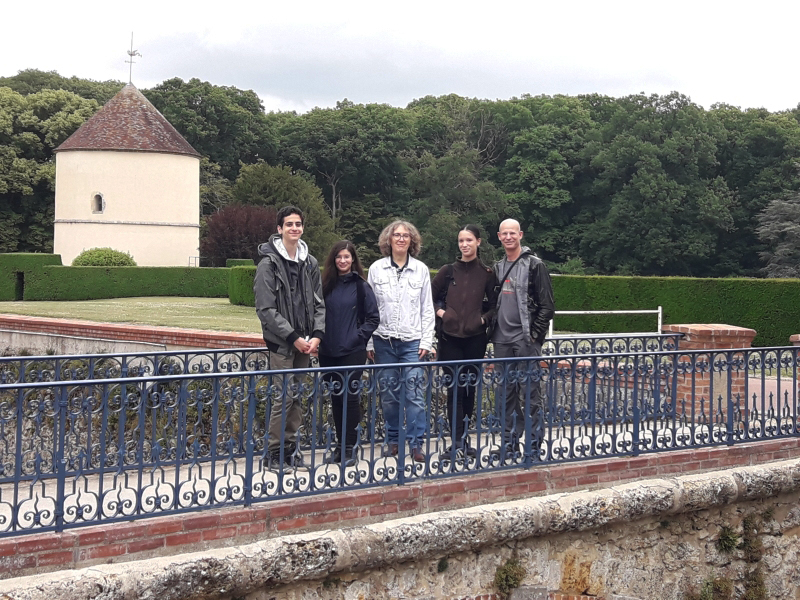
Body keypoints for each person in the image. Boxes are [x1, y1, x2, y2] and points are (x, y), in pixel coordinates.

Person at [254, 206, 325, 468]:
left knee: (297, 397)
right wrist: (293, 336)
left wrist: (317, 334)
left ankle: (290, 450)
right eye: (289, 224)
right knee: (282, 398)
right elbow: (266, 310)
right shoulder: (268, 264)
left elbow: (319, 303)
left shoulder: (310, 263)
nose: (294, 228)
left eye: (298, 224)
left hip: (304, 344)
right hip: (282, 344)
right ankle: (274, 453)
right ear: (279, 229)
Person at [367, 220, 435, 463]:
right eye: (397, 235)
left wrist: (426, 340)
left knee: (414, 394)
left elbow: (427, 308)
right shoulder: (376, 269)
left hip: (412, 342)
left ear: (411, 241)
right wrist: (369, 342)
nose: (401, 239)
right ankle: (394, 440)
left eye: (406, 235)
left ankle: (416, 444)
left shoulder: (421, 270)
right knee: (389, 395)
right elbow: (369, 308)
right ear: (389, 239)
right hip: (383, 340)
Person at [431, 225, 498, 458]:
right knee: (455, 391)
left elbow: (494, 305)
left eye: (469, 240)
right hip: (449, 339)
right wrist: (442, 314)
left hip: (475, 339)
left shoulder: (487, 273)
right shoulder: (447, 271)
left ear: (478, 242)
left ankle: (465, 440)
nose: (464, 244)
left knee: (469, 390)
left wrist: (482, 320)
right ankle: (456, 442)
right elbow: (429, 298)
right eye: (461, 240)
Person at [492, 218, 555, 462]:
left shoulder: (535, 265)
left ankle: (534, 446)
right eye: (504, 233)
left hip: (525, 339)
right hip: (501, 340)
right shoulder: (497, 267)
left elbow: (547, 306)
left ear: (520, 235)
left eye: (512, 233)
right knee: (505, 395)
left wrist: (534, 337)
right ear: (499, 236)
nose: (508, 237)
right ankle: (509, 444)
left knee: (530, 394)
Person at [318, 240, 380, 467]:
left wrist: (357, 337)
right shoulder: (326, 285)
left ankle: (350, 447)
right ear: (333, 259)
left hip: (352, 351)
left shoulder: (361, 286)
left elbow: (373, 318)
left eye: (347, 256)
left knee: (350, 399)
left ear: (353, 259)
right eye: (339, 257)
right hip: (328, 350)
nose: (342, 261)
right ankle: (340, 446)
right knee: (336, 398)